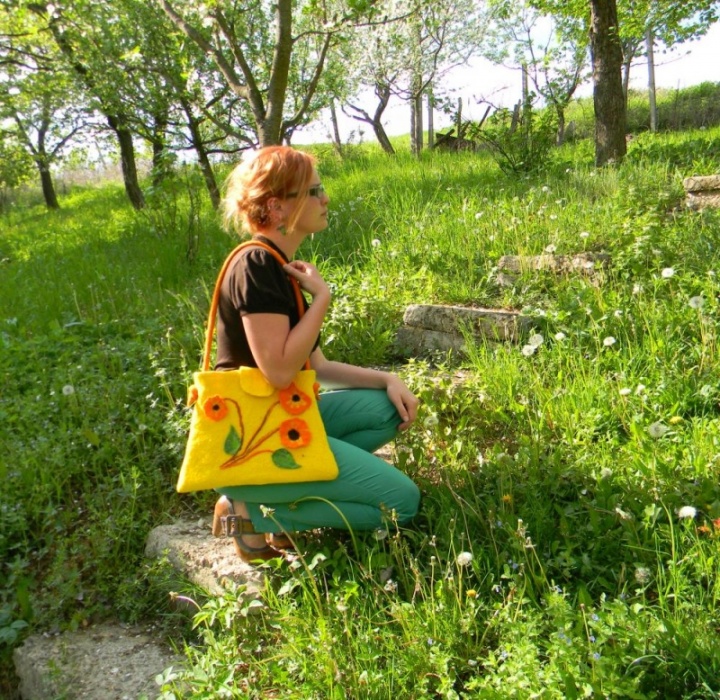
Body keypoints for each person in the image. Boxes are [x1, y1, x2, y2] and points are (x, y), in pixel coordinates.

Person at [211, 145, 421, 563]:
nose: (325, 199)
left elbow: (318, 367)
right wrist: (322, 298)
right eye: (313, 191)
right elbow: (278, 372)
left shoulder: (279, 267)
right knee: (403, 503)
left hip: (280, 420)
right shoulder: (256, 265)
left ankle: (279, 496)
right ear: (277, 206)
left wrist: (388, 379)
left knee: (387, 409)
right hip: (255, 440)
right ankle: (254, 512)